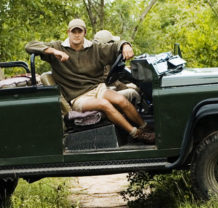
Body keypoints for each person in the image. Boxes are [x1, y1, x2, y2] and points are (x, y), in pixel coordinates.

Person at [25, 18, 155, 143]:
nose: (76, 35)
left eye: (79, 31)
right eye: (73, 31)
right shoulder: (58, 47)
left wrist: (125, 45)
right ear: (68, 32)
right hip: (78, 97)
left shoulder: (95, 48)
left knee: (121, 100)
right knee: (104, 105)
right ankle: (136, 134)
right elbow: (30, 45)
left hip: (96, 89)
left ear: (84, 33)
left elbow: (114, 46)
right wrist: (53, 51)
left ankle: (145, 127)